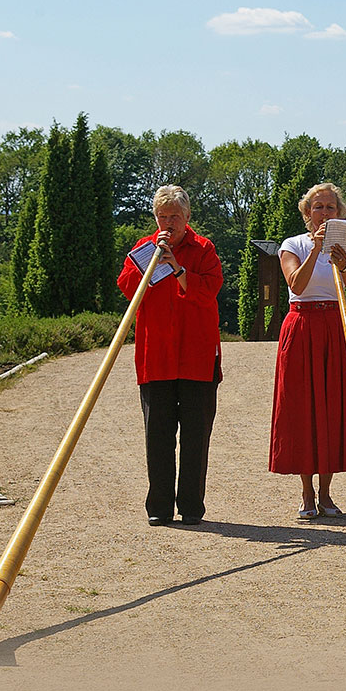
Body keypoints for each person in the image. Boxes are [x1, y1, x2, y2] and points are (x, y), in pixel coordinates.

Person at [118, 184, 224, 526]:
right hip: (156, 358)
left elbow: (208, 292)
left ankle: (191, 508)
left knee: (196, 437)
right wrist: (150, 260)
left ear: (187, 216)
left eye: (174, 216)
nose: (168, 223)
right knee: (158, 436)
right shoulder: (142, 249)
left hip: (197, 358)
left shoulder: (204, 249)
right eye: (162, 216)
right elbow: (126, 287)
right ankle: (159, 508)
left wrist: (178, 269)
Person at [268, 183, 346, 519]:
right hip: (301, 326)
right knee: (302, 409)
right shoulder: (293, 245)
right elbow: (296, 284)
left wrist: (340, 262)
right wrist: (315, 250)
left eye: (330, 207)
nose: (324, 213)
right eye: (318, 207)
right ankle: (306, 493)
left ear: (339, 213)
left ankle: (326, 494)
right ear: (307, 212)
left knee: (331, 409)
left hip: (335, 327)